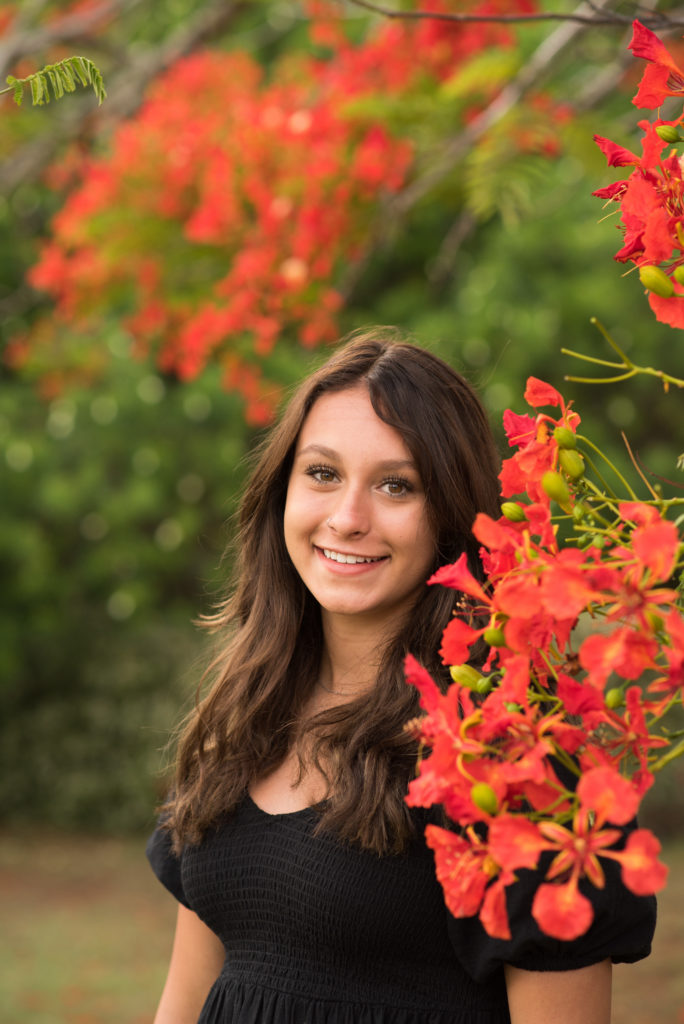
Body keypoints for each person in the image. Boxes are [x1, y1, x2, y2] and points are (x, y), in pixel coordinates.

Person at [147, 328, 656, 1024]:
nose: (348, 518)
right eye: (322, 473)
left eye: (396, 485)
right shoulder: (245, 715)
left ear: (450, 516)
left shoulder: (507, 757)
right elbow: (185, 1002)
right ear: (281, 493)